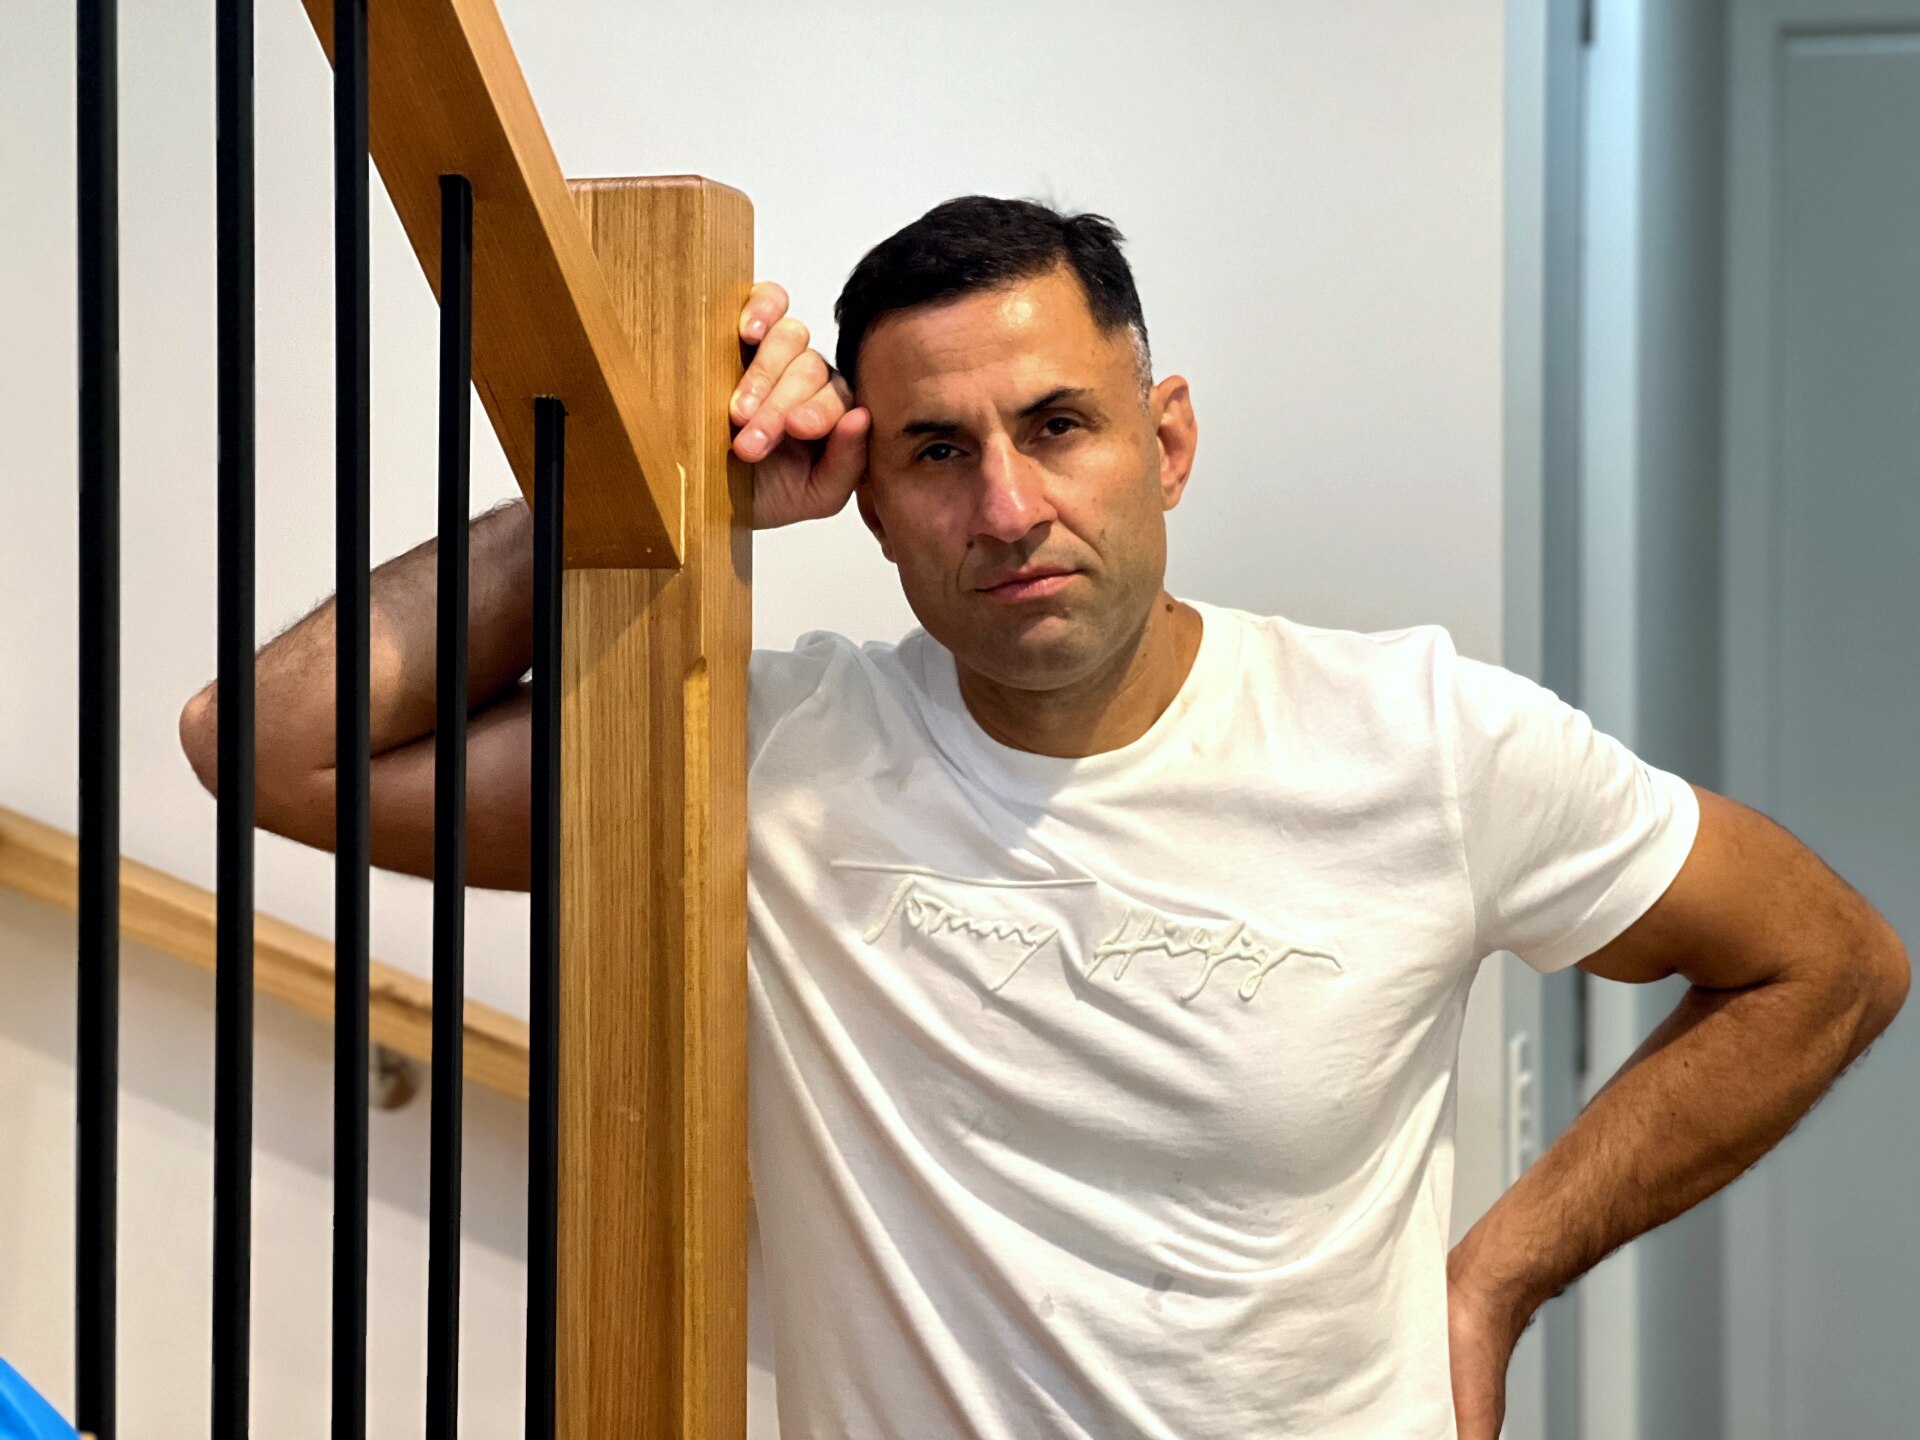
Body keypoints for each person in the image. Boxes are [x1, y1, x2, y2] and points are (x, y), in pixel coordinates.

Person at [179, 195, 1910, 1440]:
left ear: (1167, 441)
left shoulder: (1425, 740)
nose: (1005, 507)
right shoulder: (761, 757)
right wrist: (646, 488)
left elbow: (1825, 963)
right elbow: (263, 747)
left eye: (1058, 426)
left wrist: (1495, 1282)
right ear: (863, 499)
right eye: (933, 452)